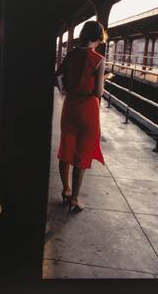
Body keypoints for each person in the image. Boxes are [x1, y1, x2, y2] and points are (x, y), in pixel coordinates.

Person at [56, 20, 106, 213]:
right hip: (88, 110)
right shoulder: (98, 60)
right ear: (98, 38)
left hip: (70, 107)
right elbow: (98, 92)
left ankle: (66, 189)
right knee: (81, 154)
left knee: (66, 149)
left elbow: (57, 77)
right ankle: (75, 199)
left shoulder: (70, 55)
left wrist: (65, 90)